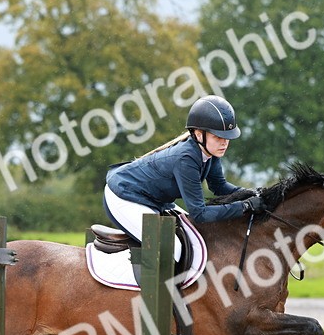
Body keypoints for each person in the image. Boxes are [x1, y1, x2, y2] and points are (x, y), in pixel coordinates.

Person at [104, 95, 266, 241]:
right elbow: (199, 213)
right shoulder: (186, 159)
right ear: (198, 134)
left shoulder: (211, 152)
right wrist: (244, 206)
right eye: (218, 137)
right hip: (123, 196)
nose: (224, 143)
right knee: (170, 247)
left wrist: (250, 193)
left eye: (227, 138)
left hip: (153, 200)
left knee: (192, 237)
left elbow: (219, 186)